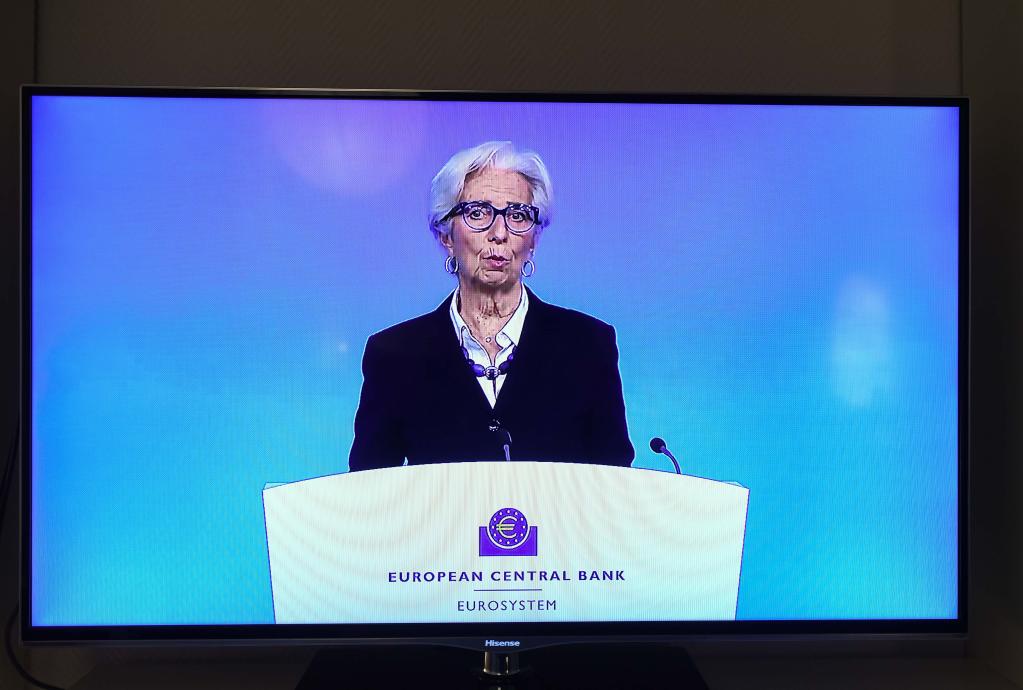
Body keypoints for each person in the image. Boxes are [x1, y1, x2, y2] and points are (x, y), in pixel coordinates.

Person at [349, 141, 634, 470]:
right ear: (445, 235)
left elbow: (615, 483)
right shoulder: (394, 355)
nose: (499, 233)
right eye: (478, 213)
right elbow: (367, 488)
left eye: (517, 215)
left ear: (534, 238)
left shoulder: (588, 345)